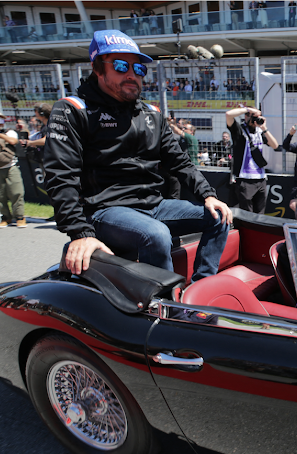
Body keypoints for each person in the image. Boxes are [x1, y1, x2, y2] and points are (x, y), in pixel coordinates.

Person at [43, 30, 232, 280]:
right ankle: (165, 308)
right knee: (155, 234)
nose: (132, 75)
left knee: (219, 216)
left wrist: (208, 195)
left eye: (139, 69)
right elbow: (60, 177)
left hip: (153, 205)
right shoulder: (73, 110)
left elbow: (179, 161)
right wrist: (80, 233)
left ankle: (201, 289)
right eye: (121, 66)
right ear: (98, 69)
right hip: (104, 210)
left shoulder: (151, 113)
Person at [225, 104, 278, 214]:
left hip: (261, 178)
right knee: (247, 213)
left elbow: (275, 145)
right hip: (245, 179)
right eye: (250, 116)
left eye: (256, 116)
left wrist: (264, 128)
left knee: (260, 213)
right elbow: (228, 115)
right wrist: (249, 110)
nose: (253, 119)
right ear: (245, 116)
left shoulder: (260, 132)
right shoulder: (239, 130)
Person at [0, 111, 26, 228]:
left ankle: (19, 217)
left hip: (10, 167)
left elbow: (13, 141)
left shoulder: (9, 132)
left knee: (16, 192)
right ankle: (5, 218)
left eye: (1, 120)